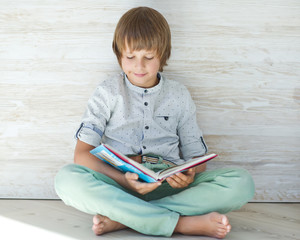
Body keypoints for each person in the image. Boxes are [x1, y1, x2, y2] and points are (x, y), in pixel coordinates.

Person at [55, 6, 255, 239]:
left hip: (168, 184)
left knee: (242, 183)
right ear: (119, 54)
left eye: (148, 58)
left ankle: (125, 218)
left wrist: (188, 175)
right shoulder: (107, 92)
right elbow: (81, 154)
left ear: (163, 55)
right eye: (130, 57)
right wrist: (124, 181)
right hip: (119, 183)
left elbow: (198, 160)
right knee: (66, 179)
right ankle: (181, 224)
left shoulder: (179, 95)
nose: (139, 66)